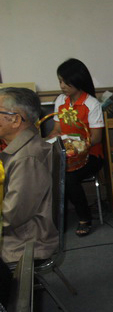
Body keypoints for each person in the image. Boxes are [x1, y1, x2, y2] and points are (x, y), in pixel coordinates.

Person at [0, 88, 58, 262]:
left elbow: (11, 216)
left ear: (16, 120)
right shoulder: (25, 146)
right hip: (20, 235)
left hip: (22, 243)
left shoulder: (26, 158)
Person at [48, 58, 104, 236]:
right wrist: (49, 140)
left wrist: (77, 145)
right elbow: (56, 130)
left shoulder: (91, 104)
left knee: (69, 177)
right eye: (60, 81)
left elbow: (96, 138)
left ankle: (85, 218)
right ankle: (57, 219)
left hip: (91, 155)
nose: (62, 86)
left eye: (66, 82)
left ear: (78, 80)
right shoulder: (60, 100)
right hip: (67, 154)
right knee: (50, 172)